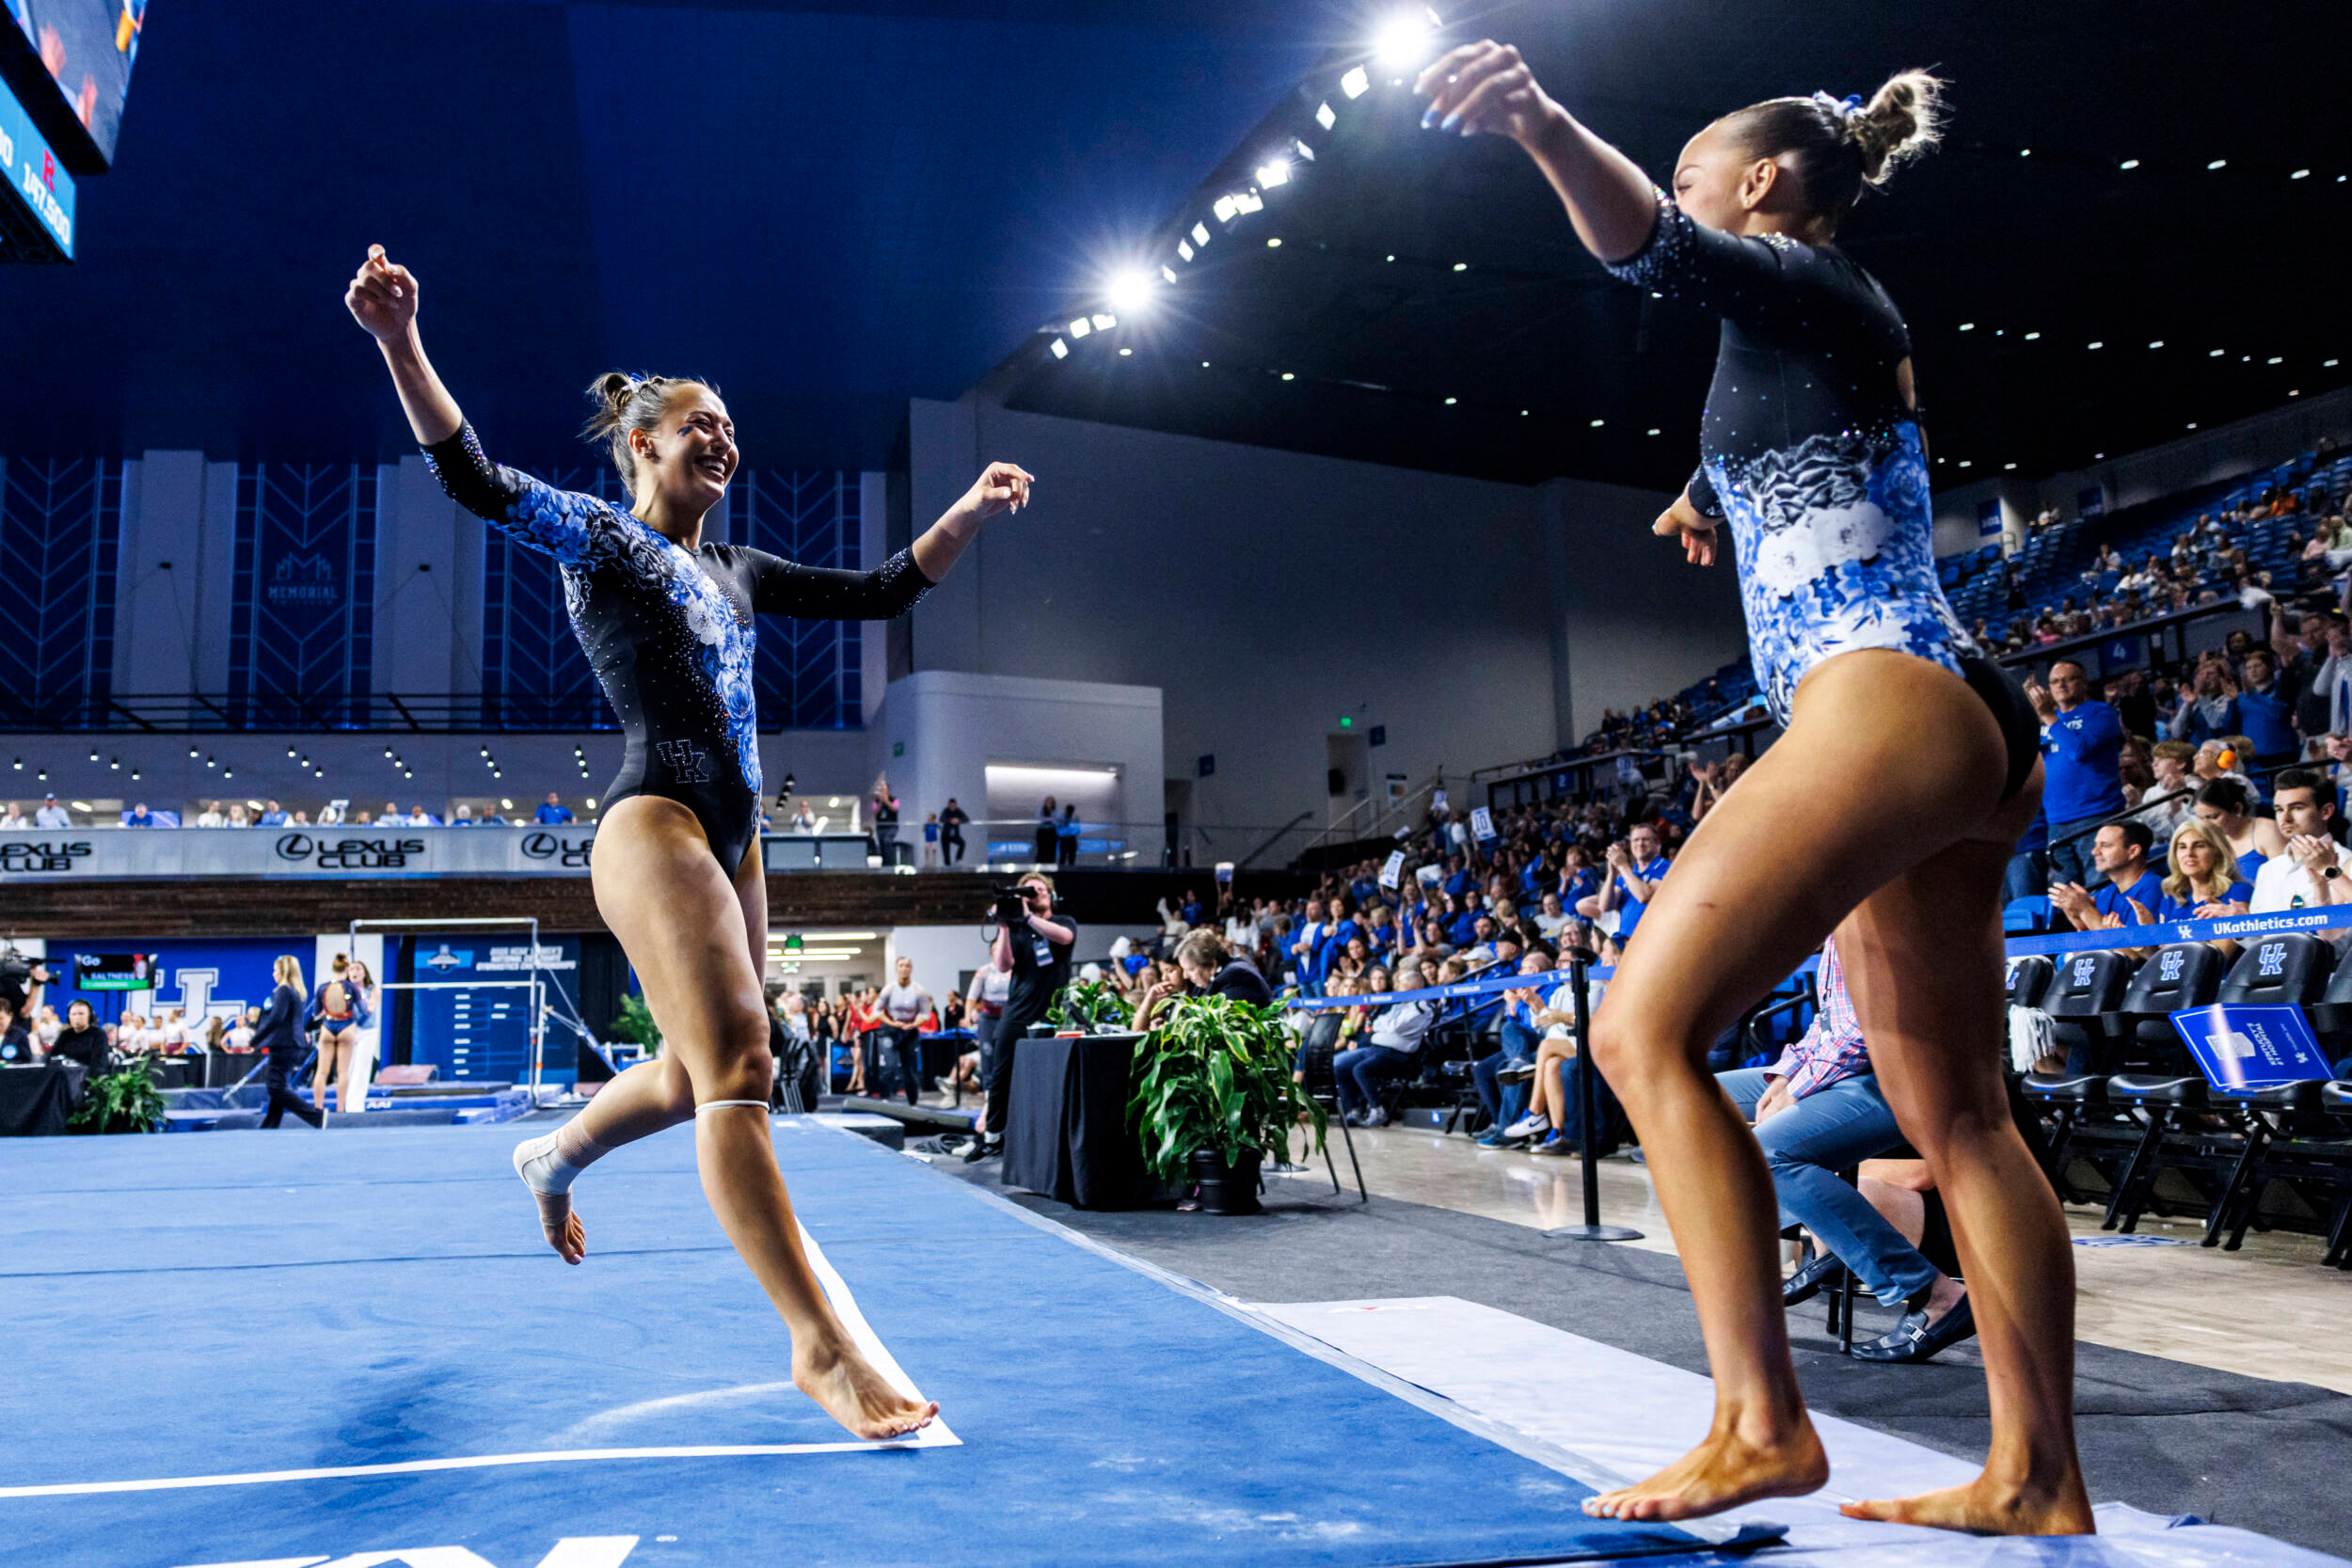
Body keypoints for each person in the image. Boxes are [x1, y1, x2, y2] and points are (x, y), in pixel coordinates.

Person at [1414, 51, 2083, 1529]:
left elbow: (1648, 240)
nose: (1688, 185)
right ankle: (2037, 1476)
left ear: (1766, 184)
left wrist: (1535, 124)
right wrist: (1701, 492)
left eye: (1701, 163)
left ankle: (1760, 1419)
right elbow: (1819, 448)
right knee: (1961, 1114)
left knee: (1641, 1024)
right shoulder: (1823, 324)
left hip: (1878, 691)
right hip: (1953, 708)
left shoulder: (1800, 274)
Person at [349, 240, 1030, 1439]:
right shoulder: (603, 541)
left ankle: (552, 1156)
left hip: (739, 839)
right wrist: (403, 342)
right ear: (643, 445)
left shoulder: (742, 567)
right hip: (654, 818)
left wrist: (967, 510)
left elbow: (881, 589)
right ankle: (816, 1346)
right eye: (698, 424)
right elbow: (474, 479)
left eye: (731, 426)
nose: (722, 438)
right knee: (742, 1074)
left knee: (690, 1070)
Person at [1717, 938, 1971, 1363]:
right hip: (1845, 1071)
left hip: (1898, 1078)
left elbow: (1863, 1034)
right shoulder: (1836, 922)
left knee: (1768, 1152)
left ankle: (1934, 1295)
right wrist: (1782, 1078)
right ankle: (1832, 1239)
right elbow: (1827, 1025)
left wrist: (1795, 1090)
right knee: (1691, 1097)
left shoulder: (1866, 906)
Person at [971, 871, 1075, 1159]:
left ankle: (1049, 1139)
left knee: (1049, 1078)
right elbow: (1003, 965)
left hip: (1053, 1013)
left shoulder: (1063, 922)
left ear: (1050, 894)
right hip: (1018, 1010)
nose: (1037, 893)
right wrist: (1005, 924)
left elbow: (1064, 939)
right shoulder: (1017, 930)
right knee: (1001, 1075)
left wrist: (1028, 918)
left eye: (1041, 889)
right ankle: (993, 1137)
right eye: (1031, 890)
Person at [2028, 660, 2124, 890]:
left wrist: (2048, 717)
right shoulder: (2041, 720)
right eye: (2054, 681)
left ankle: (2106, 927)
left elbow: (2078, 751)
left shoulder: (2101, 713)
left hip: (2096, 813)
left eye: (2068, 678)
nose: (2060, 684)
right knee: (2066, 894)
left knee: (2099, 886)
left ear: (2084, 684)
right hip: (2056, 820)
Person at [1332, 959, 1435, 1127]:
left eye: (1401, 986)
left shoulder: (1422, 1008)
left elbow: (1393, 1026)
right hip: (1374, 1049)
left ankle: (1377, 1110)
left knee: (1361, 1069)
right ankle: (1352, 1111)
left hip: (1397, 1055)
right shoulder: (1398, 1005)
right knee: (1340, 1067)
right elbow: (1378, 1022)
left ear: (1412, 989)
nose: (1397, 990)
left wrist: (1385, 1025)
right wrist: (1385, 1025)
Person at [2249, 768, 2352, 913]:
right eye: (2279, 809)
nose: (2285, 819)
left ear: (2326, 811)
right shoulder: (2268, 870)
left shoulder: (2347, 862)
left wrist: (2329, 871)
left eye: (2297, 808)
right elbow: (2258, 934)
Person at [1131, 928, 1272, 1032]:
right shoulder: (1206, 982)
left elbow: (1222, 1030)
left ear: (1211, 964)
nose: (1186, 976)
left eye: (1190, 970)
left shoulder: (1237, 976)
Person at [2047, 821, 2160, 932]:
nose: (2095, 852)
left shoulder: (2155, 888)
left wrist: (2085, 909)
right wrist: (2073, 911)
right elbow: (2092, 934)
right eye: (2096, 845)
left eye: (2105, 845)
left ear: (2133, 851)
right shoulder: (2106, 893)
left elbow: (2134, 947)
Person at [253, 956, 324, 1130]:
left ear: (284, 972)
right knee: (279, 1085)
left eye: (276, 970)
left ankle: (315, 1116)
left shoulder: (284, 990)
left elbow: (276, 1018)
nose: (273, 974)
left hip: (285, 1044)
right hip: (292, 1043)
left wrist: (255, 1040)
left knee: (276, 1087)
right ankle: (271, 1123)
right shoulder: (297, 991)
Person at [306, 957, 379, 1118]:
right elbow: (363, 1009)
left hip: (357, 1029)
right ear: (346, 971)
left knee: (341, 1070)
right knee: (344, 1070)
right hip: (348, 1028)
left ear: (365, 972)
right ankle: (338, 1108)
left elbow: (317, 1013)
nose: (355, 972)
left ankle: (334, 1108)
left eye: (359, 969)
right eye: (352, 969)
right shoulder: (348, 988)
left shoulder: (328, 987)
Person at [2156, 818, 2252, 922]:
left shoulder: (2238, 891)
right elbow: (2162, 938)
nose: (2189, 853)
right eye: (2182, 847)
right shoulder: (2172, 897)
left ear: (2218, 853)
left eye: (2199, 846)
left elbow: (2229, 938)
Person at [871, 957, 932, 1108]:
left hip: (910, 1030)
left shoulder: (918, 991)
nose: (904, 968)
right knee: (889, 1066)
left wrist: (913, 1024)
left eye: (907, 966)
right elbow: (876, 1011)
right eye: (901, 965)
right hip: (890, 1029)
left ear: (911, 969)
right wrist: (892, 1023)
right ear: (896, 968)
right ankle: (884, 1099)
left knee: (909, 1070)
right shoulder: (889, 989)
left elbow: (925, 1014)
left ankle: (913, 1103)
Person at [49, 998, 110, 1076]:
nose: (77, 1017)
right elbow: (52, 1057)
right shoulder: (65, 1034)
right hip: (65, 1077)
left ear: (90, 1016)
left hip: (87, 1078)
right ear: (69, 1017)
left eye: (81, 1014)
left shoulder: (98, 1034)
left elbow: (100, 1064)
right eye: (73, 1014)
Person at [938, 798, 968, 866]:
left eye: (953, 805)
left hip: (955, 835)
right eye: (951, 805)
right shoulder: (946, 810)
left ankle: (958, 859)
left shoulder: (958, 811)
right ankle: (947, 870)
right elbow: (941, 819)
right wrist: (950, 820)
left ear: (955, 805)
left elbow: (966, 819)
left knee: (962, 843)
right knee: (946, 855)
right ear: (948, 805)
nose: (952, 807)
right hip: (945, 835)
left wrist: (958, 820)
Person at [1033, 797, 1057, 865]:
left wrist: (1048, 820)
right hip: (1042, 832)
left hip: (1051, 832)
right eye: (1048, 802)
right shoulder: (1041, 810)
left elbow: (1055, 821)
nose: (1049, 804)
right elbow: (1040, 820)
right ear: (1045, 802)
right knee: (1041, 851)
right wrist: (1049, 820)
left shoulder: (1055, 810)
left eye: (1051, 802)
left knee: (1051, 852)